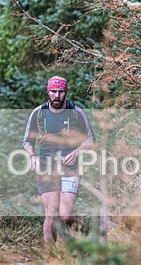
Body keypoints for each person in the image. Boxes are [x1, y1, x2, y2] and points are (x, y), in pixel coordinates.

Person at [22, 76, 95, 244]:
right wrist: (32, 157)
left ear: (65, 92)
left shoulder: (76, 112)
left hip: (71, 168)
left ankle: (65, 251)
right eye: (53, 91)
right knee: (52, 211)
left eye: (60, 92)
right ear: (48, 92)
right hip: (46, 167)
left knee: (65, 215)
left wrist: (76, 152)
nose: (57, 95)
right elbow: (27, 141)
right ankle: (50, 254)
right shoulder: (38, 113)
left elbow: (90, 140)